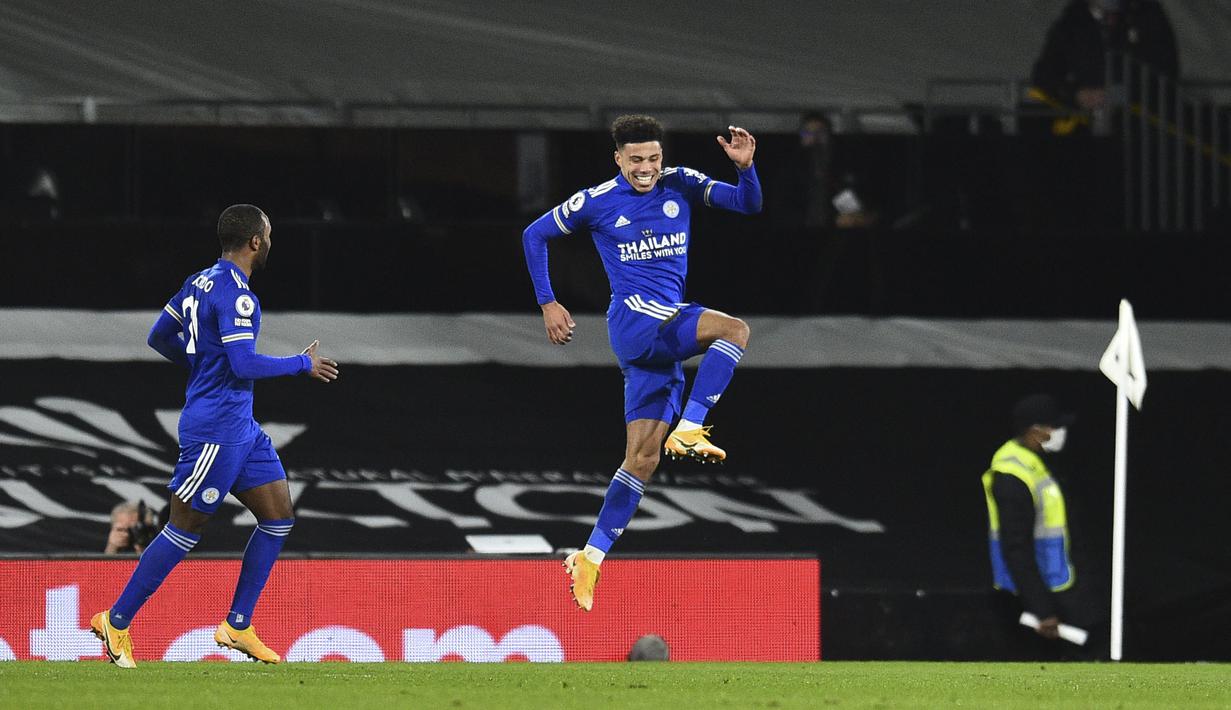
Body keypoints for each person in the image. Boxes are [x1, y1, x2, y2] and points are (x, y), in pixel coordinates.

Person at [522, 115, 761, 611]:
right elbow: (534, 234)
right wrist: (548, 301)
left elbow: (747, 204)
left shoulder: (681, 182)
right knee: (733, 330)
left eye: (653, 158)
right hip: (637, 321)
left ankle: (589, 557)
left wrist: (747, 168)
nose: (647, 169)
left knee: (643, 460)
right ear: (618, 159)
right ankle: (692, 427)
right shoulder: (596, 201)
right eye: (636, 160)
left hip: (658, 339)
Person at [90, 204, 340, 669]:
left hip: (240, 428)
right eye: (269, 235)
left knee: (279, 517)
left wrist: (202, 363)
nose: (270, 242)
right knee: (184, 530)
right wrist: (301, 363)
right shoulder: (238, 296)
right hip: (215, 431)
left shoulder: (199, 280)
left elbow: (159, 336)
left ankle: (237, 626)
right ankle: (117, 621)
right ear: (255, 242)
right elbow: (243, 364)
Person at [982, 394, 1096, 656]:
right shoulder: (1011, 475)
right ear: (1036, 431)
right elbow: (1016, 547)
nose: (1060, 432)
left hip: (1056, 585)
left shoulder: (1036, 462)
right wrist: (1040, 609)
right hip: (1032, 597)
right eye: (1054, 427)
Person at [1031, 0, 1178, 116]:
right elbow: (1044, 74)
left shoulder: (1146, 14)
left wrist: (1119, 95)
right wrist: (1076, 95)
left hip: (1143, 126)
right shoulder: (1073, 19)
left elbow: (1166, 71)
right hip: (1087, 127)